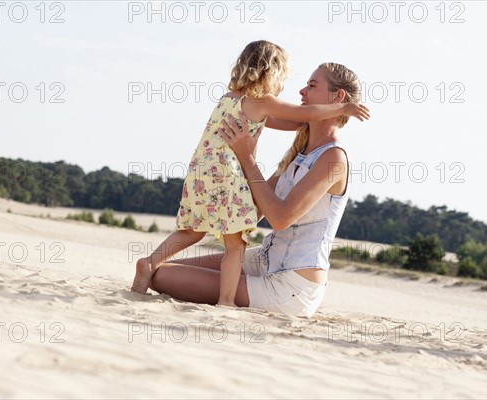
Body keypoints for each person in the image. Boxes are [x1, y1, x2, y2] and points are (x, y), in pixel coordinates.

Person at [132, 43, 368, 309]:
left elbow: (279, 218)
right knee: (161, 271)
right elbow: (254, 211)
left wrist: (245, 158)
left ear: (337, 98)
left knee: (164, 277)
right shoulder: (298, 154)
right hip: (264, 260)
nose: (301, 91)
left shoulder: (333, 159)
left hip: (291, 285)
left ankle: (226, 299)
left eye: (312, 86)